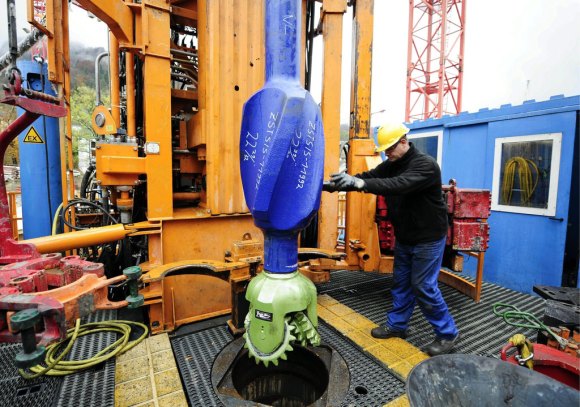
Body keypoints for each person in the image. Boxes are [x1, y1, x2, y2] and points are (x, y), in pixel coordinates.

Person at [323, 122, 459, 356]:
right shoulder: (392, 163)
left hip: (428, 238)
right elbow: (371, 176)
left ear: (404, 142)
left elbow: (398, 185)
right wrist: (343, 183)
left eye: (390, 148)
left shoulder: (425, 165)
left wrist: (360, 184)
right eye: (385, 149)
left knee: (423, 285)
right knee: (402, 282)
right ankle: (397, 325)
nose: (387, 153)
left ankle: (447, 333)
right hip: (405, 235)